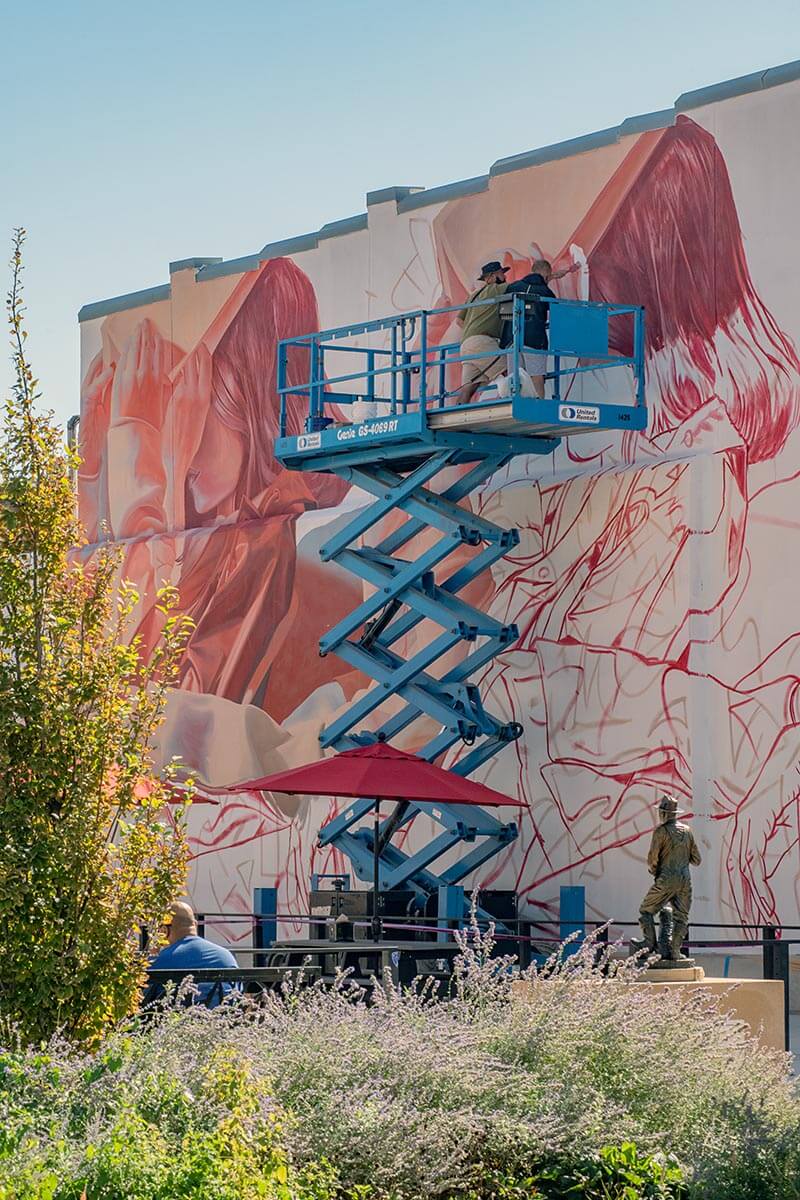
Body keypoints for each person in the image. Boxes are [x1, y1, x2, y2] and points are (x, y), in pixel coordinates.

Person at [501, 259, 580, 398]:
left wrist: (550, 277)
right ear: (547, 275)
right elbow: (558, 312)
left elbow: (504, 311)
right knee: (536, 377)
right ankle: (539, 404)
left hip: (511, 339)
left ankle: (515, 404)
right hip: (534, 339)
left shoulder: (513, 287)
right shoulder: (545, 291)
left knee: (515, 379)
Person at [638, 795, 701, 961]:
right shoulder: (687, 831)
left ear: (664, 813)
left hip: (666, 878)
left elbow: (652, 859)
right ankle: (675, 951)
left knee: (646, 910)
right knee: (681, 917)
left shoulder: (660, 831)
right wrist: (681, 855)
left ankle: (648, 944)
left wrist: (656, 872)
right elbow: (697, 860)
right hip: (684, 880)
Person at [148, 900, 238, 1006]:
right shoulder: (226, 956)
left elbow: (144, 998)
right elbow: (237, 994)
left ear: (163, 930)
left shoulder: (161, 960)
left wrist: (153, 953)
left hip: (175, 1016)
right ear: (195, 924)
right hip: (222, 1015)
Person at [456, 261, 512, 404]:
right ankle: (514, 404)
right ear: (492, 277)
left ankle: (458, 411)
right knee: (510, 371)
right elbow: (518, 287)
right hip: (482, 341)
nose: (504, 276)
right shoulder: (496, 289)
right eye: (501, 273)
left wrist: (474, 327)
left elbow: (459, 320)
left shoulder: (473, 296)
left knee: (468, 387)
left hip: (466, 345)